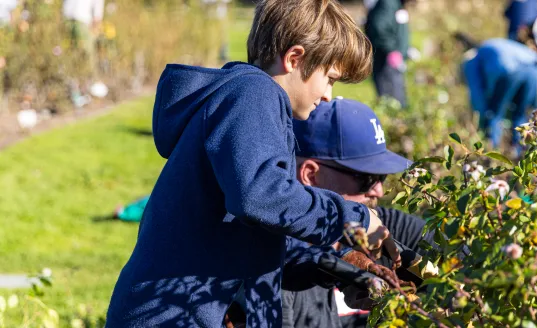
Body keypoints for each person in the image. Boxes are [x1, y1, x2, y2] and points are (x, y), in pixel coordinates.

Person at [106, 1, 401, 327]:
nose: (328, 96)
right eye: (329, 79)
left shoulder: (258, 110)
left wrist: (341, 266)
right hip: (170, 316)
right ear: (295, 59)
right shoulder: (253, 92)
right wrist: (352, 218)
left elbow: (262, 238)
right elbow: (260, 196)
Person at [280, 98, 431, 328]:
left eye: (381, 176)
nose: (378, 190)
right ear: (310, 175)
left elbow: (458, 265)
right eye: (366, 179)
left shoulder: (377, 230)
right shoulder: (277, 272)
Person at [456, 31, 537, 153]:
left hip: (511, 69)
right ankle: (521, 154)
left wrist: (483, 117)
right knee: (521, 115)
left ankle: (492, 153)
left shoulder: (471, 62)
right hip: (534, 69)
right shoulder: (491, 46)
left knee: (494, 114)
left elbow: (478, 96)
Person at [365, 0, 412, 108]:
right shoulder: (388, 4)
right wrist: (391, 50)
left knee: (399, 100)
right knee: (391, 102)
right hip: (385, 62)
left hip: (394, 63)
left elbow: (397, 31)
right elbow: (379, 28)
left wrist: (405, 49)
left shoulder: (397, 5)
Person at [62, 0, 104, 73]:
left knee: (86, 52)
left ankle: (88, 76)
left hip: (83, 20)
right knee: (69, 50)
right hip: (67, 17)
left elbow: (98, 3)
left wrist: (97, 18)